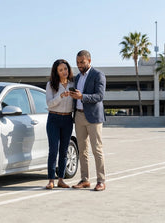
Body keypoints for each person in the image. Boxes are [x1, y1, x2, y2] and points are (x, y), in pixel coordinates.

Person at [69, 50, 106, 191]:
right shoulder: (77, 78)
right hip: (79, 116)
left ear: (89, 61)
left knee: (97, 150)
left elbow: (99, 96)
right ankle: (85, 179)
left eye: (82, 62)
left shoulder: (98, 75)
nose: (79, 65)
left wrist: (82, 97)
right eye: (77, 62)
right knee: (82, 150)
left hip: (94, 118)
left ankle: (101, 180)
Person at [45, 59, 74, 189]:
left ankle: (61, 179)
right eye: (61, 70)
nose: (64, 72)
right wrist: (61, 96)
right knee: (53, 150)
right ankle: (51, 179)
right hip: (54, 119)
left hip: (68, 119)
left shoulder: (73, 84)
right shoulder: (51, 85)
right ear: (56, 72)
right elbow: (49, 104)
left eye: (65, 69)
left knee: (64, 151)